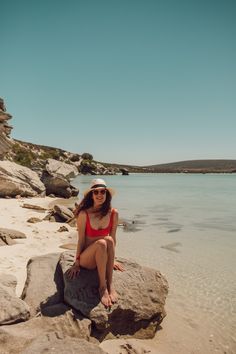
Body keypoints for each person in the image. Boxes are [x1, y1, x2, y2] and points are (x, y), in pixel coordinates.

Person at [67, 178, 123, 308]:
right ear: (91, 195)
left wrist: (112, 259)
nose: (99, 195)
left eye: (102, 192)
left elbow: (113, 238)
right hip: (87, 259)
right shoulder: (84, 214)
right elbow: (81, 239)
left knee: (108, 240)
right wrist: (76, 262)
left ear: (106, 194)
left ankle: (110, 284)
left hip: (102, 256)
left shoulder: (114, 213)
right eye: (96, 192)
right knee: (102, 243)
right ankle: (102, 287)